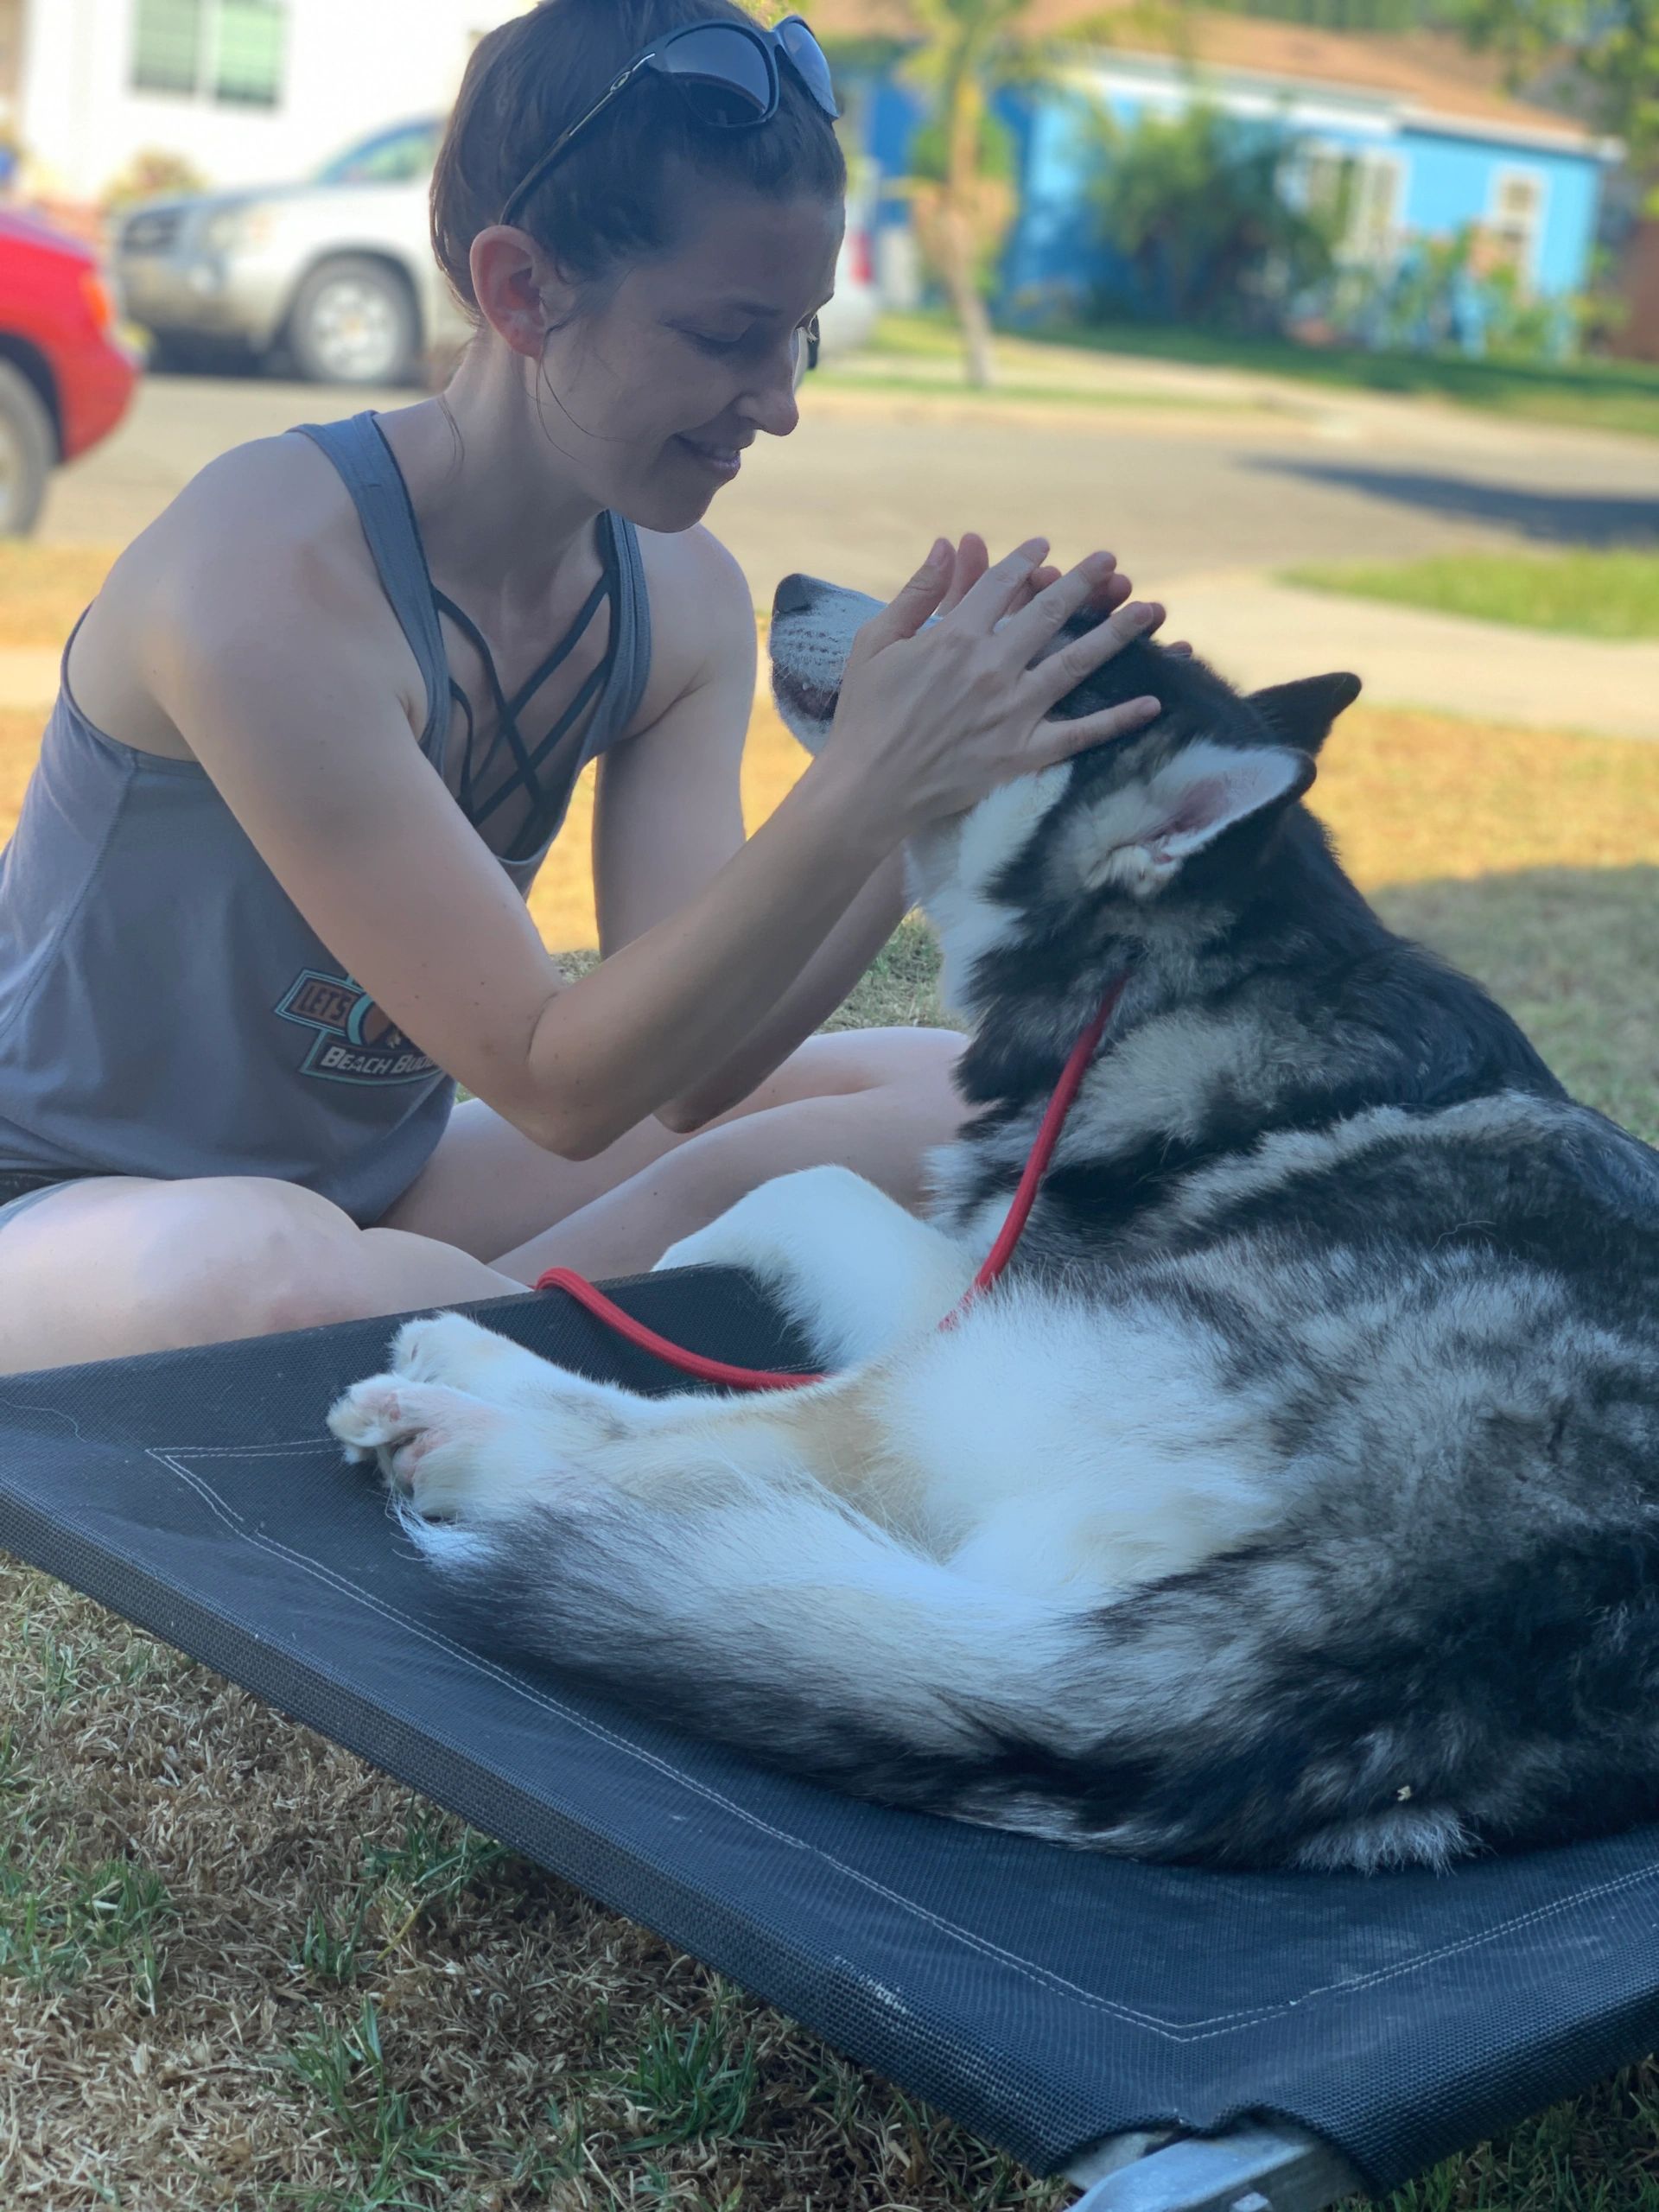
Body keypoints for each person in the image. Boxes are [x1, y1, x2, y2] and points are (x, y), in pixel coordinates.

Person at [0, 0, 1169, 1376]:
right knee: (260, 1276)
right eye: (727, 334)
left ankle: (472, 1345)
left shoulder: (672, 600)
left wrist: (940, 784)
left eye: (797, 337)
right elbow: (557, 1081)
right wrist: (869, 783)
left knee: (969, 1099)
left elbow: (688, 1070)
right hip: (68, 1223)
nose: (776, 402)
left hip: (384, 1188)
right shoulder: (265, 576)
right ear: (519, 291)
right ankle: (535, 1352)